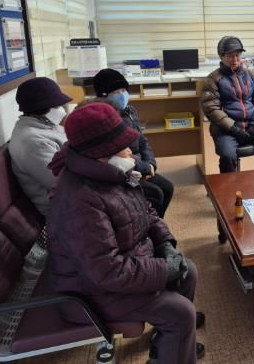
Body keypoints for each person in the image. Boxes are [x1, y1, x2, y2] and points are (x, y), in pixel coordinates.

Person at [47, 103, 204, 363]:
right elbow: (107, 272)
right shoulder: (79, 200)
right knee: (180, 313)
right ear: (102, 152)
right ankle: (173, 338)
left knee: (189, 272)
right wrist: (164, 269)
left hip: (120, 270)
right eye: (124, 146)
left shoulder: (112, 173)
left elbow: (147, 212)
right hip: (89, 292)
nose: (131, 151)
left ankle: (168, 344)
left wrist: (165, 244)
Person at [93, 68, 174, 218]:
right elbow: (118, 154)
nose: (122, 95)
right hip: (124, 170)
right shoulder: (103, 119)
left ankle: (157, 223)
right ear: (103, 96)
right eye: (116, 92)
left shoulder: (130, 111)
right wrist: (145, 169)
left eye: (124, 90)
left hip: (141, 165)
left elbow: (142, 140)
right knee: (155, 193)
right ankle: (149, 225)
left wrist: (151, 164)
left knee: (167, 187)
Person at [201, 36, 254, 173]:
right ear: (221, 56)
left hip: (250, 126)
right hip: (226, 130)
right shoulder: (212, 79)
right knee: (228, 156)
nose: (235, 59)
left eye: (237, 55)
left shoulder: (250, 75)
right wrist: (234, 128)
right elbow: (211, 109)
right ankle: (228, 186)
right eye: (230, 56)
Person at [8, 76, 72, 217]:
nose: (62, 109)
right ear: (44, 108)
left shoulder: (45, 126)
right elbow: (64, 182)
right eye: (57, 106)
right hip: (64, 211)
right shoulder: (33, 142)